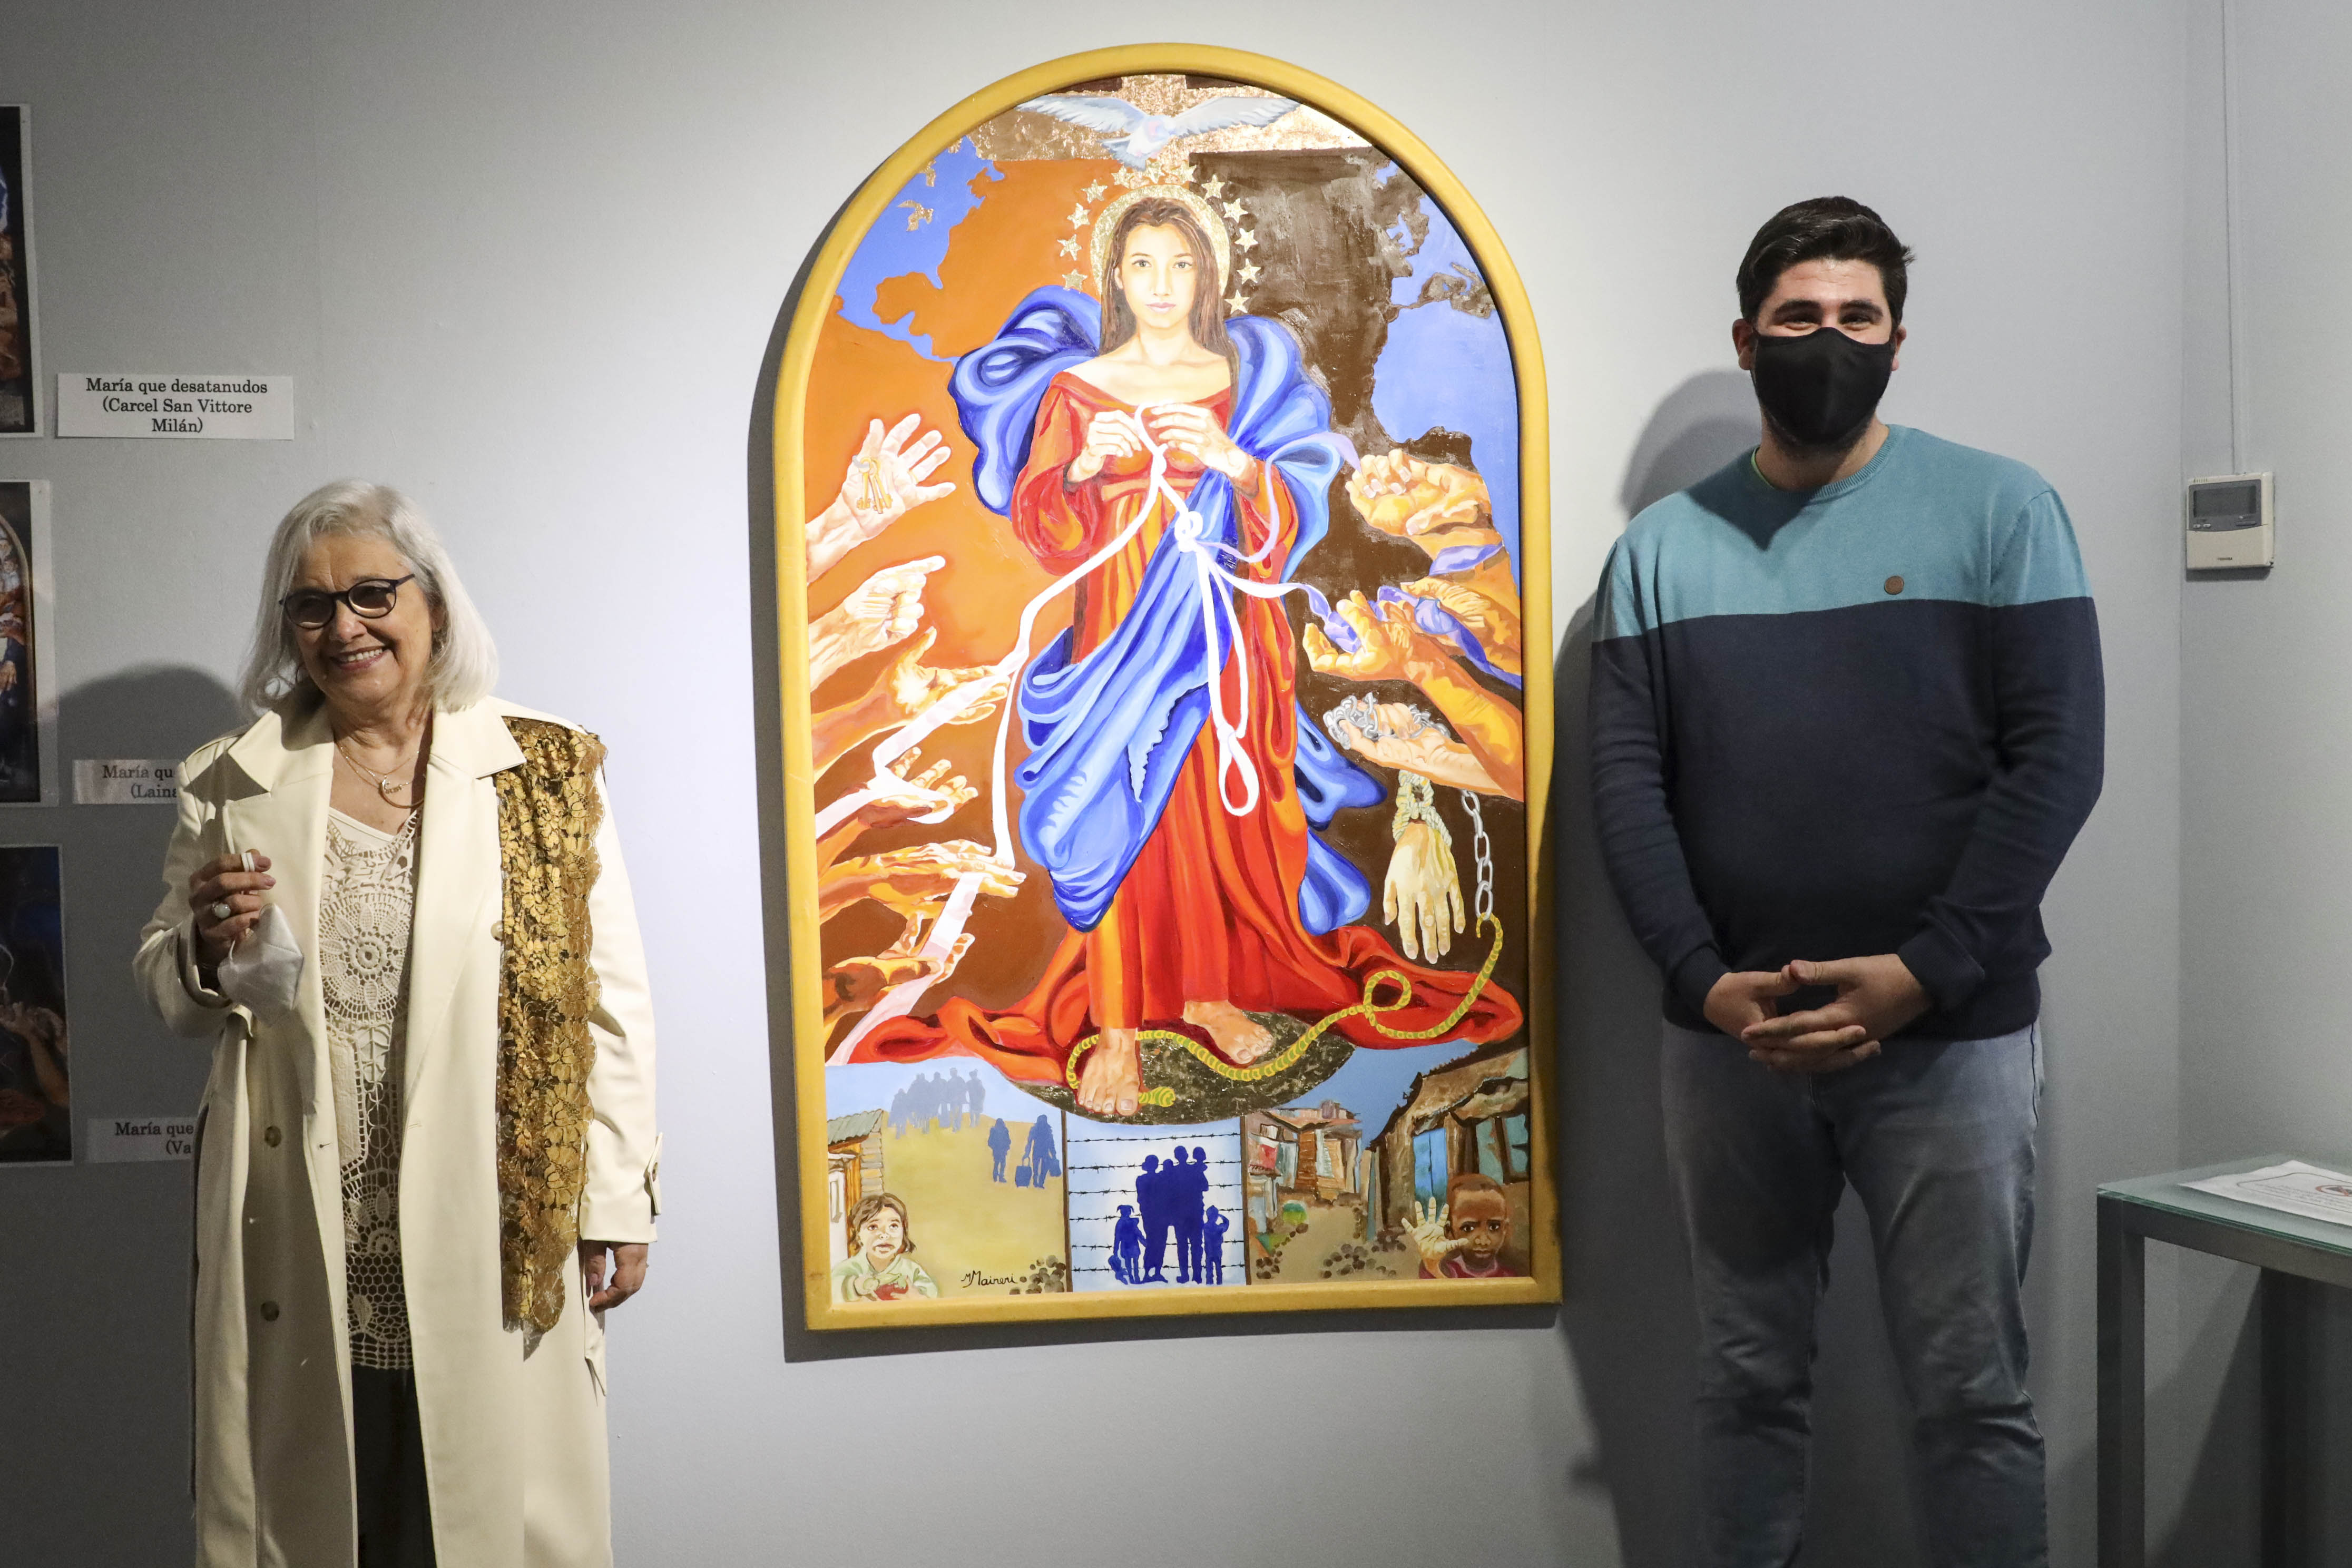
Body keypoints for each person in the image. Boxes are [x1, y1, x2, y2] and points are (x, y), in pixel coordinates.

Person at [1590, 198, 2103, 1567]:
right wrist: (1703, 983)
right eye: (1800, 317)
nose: (1830, 341)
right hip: (1733, 1045)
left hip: (1953, 1034)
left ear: (1898, 340)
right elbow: (1626, 792)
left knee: (1973, 1396)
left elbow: (2058, 762)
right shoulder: (1657, 554)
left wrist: (1927, 970)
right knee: (1745, 1382)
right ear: (1746, 339)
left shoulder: (2003, 510)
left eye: (1857, 317)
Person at [856, 191, 1521, 1114]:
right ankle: (1118, 1031)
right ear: (1116, 278)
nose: (1162, 285)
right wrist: (1084, 466)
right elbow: (1046, 530)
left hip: (1222, 632)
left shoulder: (1242, 382)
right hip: (1120, 637)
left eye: (1180, 266)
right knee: (1123, 816)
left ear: (1208, 276)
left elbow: (1292, 508)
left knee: (1213, 813)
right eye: (1143, 266)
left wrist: (1230, 459)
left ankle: (1209, 995)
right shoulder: (1080, 390)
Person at [134, 481, 661, 1568]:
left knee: (481, 1514)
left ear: (434, 604)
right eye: (312, 606)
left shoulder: (543, 771)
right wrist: (204, 950)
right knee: (331, 1515)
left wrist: (617, 1199)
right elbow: (166, 990)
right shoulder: (230, 781)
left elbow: (610, 1003)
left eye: (372, 594)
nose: (345, 628)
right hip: (306, 1223)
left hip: (493, 1214)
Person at [830, 1192, 938, 1302]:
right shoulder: (847, 1269)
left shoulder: (913, 1271)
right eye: (873, 1227)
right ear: (858, 1235)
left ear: (904, 1231)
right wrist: (855, 1287)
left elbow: (932, 1300)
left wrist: (918, 1298)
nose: (884, 1235)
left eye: (893, 1226)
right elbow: (832, 1293)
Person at [1405, 1176, 1517, 1279]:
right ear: (1449, 1231)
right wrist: (1432, 1265)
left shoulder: (1510, 1276)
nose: (1483, 1241)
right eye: (1468, 1229)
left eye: (1494, 1227)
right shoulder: (1444, 1271)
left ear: (1505, 1229)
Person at [1110, 1204, 1144, 1284]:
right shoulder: (1132, 1222)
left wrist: (1116, 1250)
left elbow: (1117, 1238)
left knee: (1129, 1262)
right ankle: (1136, 1278)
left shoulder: (1120, 1223)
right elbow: (1138, 1234)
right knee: (1135, 1262)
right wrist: (1145, 1243)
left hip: (1126, 1246)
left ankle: (1132, 1278)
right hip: (1133, 1245)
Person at [1200, 1205, 1229, 1285]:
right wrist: (1222, 1216)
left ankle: (1209, 1284)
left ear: (1207, 1216)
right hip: (1218, 1252)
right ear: (1216, 1217)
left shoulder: (1205, 1227)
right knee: (1219, 1269)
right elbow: (1227, 1223)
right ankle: (1219, 1283)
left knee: (1209, 1271)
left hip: (1209, 1252)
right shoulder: (1219, 1228)